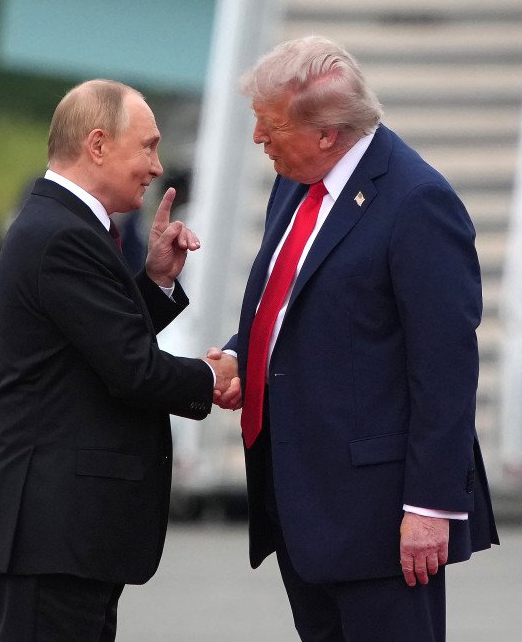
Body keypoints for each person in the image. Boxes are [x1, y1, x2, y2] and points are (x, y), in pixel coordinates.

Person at [209, 36, 498, 641]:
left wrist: (429, 507)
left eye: (270, 125)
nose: (259, 139)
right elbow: (288, 298)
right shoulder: (295, 182)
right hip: (303, 497)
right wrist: (243, 356)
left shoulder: (418, 202)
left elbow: (445, 367)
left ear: (326, 133)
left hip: (381, 517)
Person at [0, 79, 236, 641]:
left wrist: (156, 282)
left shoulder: (66, 225)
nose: (157, 166)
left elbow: (93, 345)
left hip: (61, 533)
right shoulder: (63, 234)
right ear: (96, 145)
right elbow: (131, 368)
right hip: (52, 533)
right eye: (147, 147)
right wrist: (215, 375)